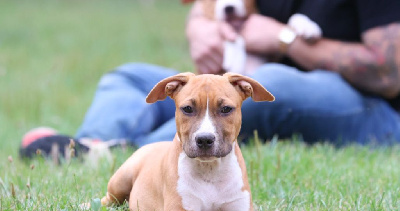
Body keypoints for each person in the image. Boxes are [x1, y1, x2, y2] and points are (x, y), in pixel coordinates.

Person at [20, 0, 400, 160]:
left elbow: (390, 71)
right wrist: (199, 27)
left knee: (268, 82)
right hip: (250, 83)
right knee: (131, 76)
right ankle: (89, 146)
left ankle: (130, 157)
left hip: (372, 107)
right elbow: (207, 7)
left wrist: (284, 40)